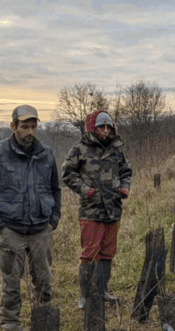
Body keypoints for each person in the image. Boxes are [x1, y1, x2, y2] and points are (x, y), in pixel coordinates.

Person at [0, 105, 61, 331]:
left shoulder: (46, 154)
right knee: (11, 282)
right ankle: (11, 327)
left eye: (34, 126)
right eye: (24, 126)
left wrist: (53, 220)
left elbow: (55, 188)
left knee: (44, 280)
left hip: (40, 228)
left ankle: (42, 317)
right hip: (11, 229)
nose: (29, 131)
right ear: (13, 126)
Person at [62, 110, 133, 309]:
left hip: (113, 209)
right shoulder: (80, 148)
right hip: (90, 211)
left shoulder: (117, 149)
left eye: (108, 127)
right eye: (101, 127)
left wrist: (125, 187)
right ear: (93, 128)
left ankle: (102, 292)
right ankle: (84, 296)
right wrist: (86, 190)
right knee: (89, 254)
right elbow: (67, 174)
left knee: (107, 253)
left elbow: (126, 171)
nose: (105, 131)